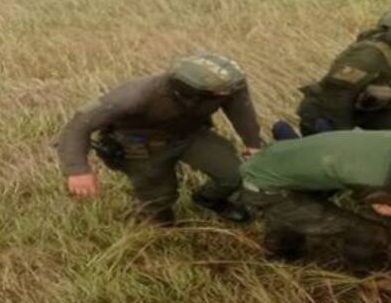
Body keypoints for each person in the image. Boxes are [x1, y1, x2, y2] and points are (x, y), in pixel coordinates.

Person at [57, 53, 261, 225]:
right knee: (158, 194)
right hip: (142, 147)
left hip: (190, 135)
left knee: (235, 173)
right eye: (223, 91)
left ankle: (208, 199)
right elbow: (78, 126)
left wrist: (253, 144)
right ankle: (158, 220)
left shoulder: (228, 85)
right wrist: (77, 170)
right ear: (190, 89)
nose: (231, 91)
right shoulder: (133, 95)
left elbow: (242, 110)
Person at [240, 129, 391, 272]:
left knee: (299, 213)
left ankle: (282, 253)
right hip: (267, 186)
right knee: (369, 233)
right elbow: (390, 211)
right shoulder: (376, 175)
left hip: (283, 165)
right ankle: (370, 274)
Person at [296, 7, 391, 136]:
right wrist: (343, 133)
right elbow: (337, 95)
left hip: (376, 108)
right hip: (333, 114)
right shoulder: (366, 56)